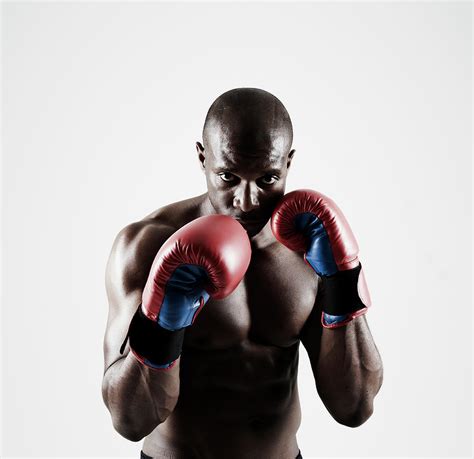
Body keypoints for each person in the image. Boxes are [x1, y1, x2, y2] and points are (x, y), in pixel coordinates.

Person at [102, 88, 383, 459]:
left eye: (267, 178)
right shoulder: (146, 246)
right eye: (228, 176)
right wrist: (161, 324)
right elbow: (129, 421)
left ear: (288, 163)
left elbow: (354, 407)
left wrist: (342, 282)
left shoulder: (311, 248)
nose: (247, 201)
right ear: (202, 158)